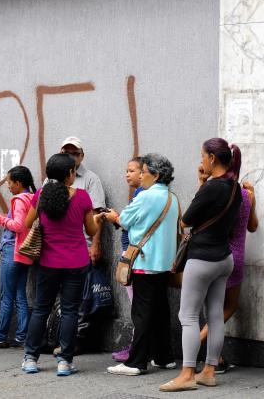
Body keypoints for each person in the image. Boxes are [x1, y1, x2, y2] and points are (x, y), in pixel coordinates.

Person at [160, 139, 243, 392]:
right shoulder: (235, 187)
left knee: (188, 316)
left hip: (202, 258)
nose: (201, 161)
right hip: (224, 259)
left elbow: (185, 221)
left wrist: (202, 186)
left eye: (203, 156)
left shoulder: (212, 188)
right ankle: (209, 371)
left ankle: (186, 374)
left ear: (212, 159)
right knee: (215, 315)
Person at [101, 153, 179, 377]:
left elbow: (124, 220)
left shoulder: (145, 197)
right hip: (165, 263)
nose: (141, 175)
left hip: (145, 260)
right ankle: (164, 357)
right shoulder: (172, 198)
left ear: (154, 175)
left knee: (142, 313)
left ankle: (136, 362)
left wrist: (114, 216)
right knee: (161, 311)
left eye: (144, 171)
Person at [21, 153, 99, 377]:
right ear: (70, 174)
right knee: (70, 311)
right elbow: (91, 231)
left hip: (47, 262)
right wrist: (97, 219)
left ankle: (30, 359)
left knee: (40, 309)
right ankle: (64, 361)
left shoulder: (41, 195)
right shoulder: (82, 197)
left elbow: (27, 223)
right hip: (76, 262)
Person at [197, 178, 259, 373]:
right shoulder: (246, 195)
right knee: (228, 307)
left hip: (215, 253)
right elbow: (253, 226)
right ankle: (216, 358)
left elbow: (199, 219)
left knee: (214, 308)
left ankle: (197, 340)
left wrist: (201, 184)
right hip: (236, 257)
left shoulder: (215, 193)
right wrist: (253, 199)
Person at [0, 165, 36, 348]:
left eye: (9, 182)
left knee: (6, 296)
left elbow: (18, 226)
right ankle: (21, 336)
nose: (7, 186)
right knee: (20, 295)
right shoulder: (32, 197)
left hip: (12, 251)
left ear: (18, 183)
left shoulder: (18, 199)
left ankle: (0, 337)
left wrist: (0, 218)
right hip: (25, 253)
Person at [112, 157, 144, 362]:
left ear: (144, 173)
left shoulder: (142, 195)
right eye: (126, 170)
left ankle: (136, 349)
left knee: (137, 306)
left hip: (133, 254)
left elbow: (129, 222)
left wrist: (114, 217)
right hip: (135, 253)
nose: (127, 174)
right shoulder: (141, 194)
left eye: (132, 170)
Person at [59, 137, 107, 264]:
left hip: (82, 246)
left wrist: (95, 244)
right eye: (66, 153)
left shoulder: (91, 179)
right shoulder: (51, 179)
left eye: (75, 154)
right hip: (55, 246)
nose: (71, 157)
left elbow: (97, 214)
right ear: (60, 153)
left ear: (82, 156)